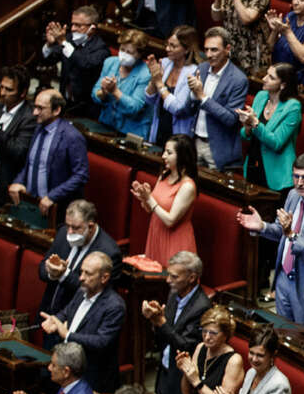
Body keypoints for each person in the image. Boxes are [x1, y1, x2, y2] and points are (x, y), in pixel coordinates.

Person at [237, 152, 304, 324]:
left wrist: (292, 236)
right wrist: (262, 226)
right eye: (296, 176)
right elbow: (281, 231)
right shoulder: (293, 195)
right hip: (283, 277)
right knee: (281, 330)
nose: (299, 183)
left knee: (300, 335)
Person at [40, 252, 125, 392]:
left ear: (104, 278)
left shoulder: (114, 306)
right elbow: (67, 312)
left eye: (88, 274)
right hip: (68, 369)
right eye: (81, 272)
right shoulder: (82, 291)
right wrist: (55, 320)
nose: (81, 278)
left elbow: (101, 341)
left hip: (92, 378)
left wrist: (67, 335)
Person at [143, 251, 209, 394]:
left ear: (191, 278)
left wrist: (161, 322)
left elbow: (186, 346)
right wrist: (155, 320)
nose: (168, 280)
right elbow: (166, 335)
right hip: (164, 375)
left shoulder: (202, 307)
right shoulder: (174, 294)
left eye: (174, 277)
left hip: (181, 382)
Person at [7, 88, 88, 215]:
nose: (34, 112)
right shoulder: (38, 128)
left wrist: (52, 196)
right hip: (31, 203)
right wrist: (18, 181)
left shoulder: (72, 136)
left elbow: (80, 175)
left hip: (56, 209)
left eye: (40, 108)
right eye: (35, 107)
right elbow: (31, 163)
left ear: (56, 110)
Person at [37, 199, 122, 316]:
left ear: (90, 227)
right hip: (46, 314)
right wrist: (51, 272)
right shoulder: (62, 233)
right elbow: (41, 269)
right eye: (68, 226)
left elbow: (96, 295)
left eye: (75, 228)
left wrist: (64, 275)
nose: (70, 232)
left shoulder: (109, 252)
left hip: (75, 321)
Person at [130, 134, 198, 266]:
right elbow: (151, 210)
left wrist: (150, 199)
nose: (163, 156)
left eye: (169, 153)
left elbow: (170, 220)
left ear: (182, 156)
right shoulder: (164, 176)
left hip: (175, 242)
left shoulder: (187, 186)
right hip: (156, 235)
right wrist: (144, 198)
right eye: (164, 151)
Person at [188, 26, 249, 171]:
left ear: (227, 49)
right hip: (195, 142)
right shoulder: (202, 68)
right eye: (206, 49)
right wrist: (193, 95)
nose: (209, 55)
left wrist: (202, 96)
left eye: (214, 50)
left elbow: (231, 118)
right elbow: (189, 106)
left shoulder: (238, 80)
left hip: (217, 149)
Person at [238, 62, 302, 194]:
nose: (264, 79)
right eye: (266, 74)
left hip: (276, 173)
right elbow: (246, 136)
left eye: (271, 77)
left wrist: (256, 124)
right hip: (253, 164)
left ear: (283, 85)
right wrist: (247, 126)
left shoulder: (292, 107)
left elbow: (276, 143)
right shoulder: (261, 96)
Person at [0, 65, 36, 203]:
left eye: (9, 90)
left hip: (9, 190)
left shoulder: (29, 117)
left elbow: (19, 151)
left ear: (23, 92)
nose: (2, 93)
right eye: (2, 87)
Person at [39, 5, 110, 119]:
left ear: (92, 28)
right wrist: (49, 44)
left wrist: (63, 42)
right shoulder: (69, 39)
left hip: (88, 108)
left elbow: (85, 64)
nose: (72, 29)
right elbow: (49, 60)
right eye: (72, 24)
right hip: (65, 101)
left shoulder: (101, 49)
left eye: (78, 25)